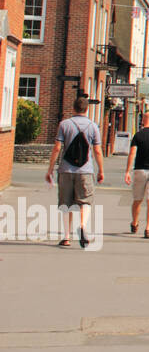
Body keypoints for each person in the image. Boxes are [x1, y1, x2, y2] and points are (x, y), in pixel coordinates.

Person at [45, 94, 104, 249]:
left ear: (73, 108)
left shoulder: (64, 124)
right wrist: (100, 171)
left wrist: (50, 169)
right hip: (85, 170)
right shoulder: (93, 126)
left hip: (65, 170)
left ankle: (66, 237)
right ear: (87, 109)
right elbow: (97, 151)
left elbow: (57, 148)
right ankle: (83, 226)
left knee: (66, 203)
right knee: (85, 201)